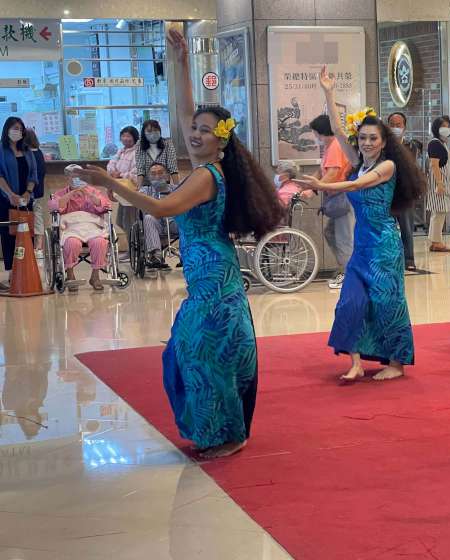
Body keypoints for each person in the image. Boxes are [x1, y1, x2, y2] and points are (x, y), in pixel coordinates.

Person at [72, 28, 284, 459]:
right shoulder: (210, 166)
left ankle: (228, 435)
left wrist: (109, 182)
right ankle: (226, 430)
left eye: (205, 131)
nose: (195, 134)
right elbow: (187, 112)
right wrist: (181, 62)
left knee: (203, 354)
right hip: (209, 277)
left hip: (214, 280)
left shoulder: (206, 175)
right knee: (194, 352)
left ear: (221, 140)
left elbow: (161, 207)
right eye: (194, 130)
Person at [296, 65, 425, 383]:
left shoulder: (387, 166)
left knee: (386, 303)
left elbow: (355, 185)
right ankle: (355, 362)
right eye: (363, 138)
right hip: (363, 246)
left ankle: (396, 363)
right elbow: (338, 131)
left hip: (385, 245)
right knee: (350, 301)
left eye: (373, 138)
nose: (366, 142)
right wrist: (328, 92)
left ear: (383, 142)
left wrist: (322, 185)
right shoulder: (358, 162)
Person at [48, 165, 113, 291]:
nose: (76, 179)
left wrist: (87, 193)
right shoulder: (60, 193)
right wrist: (72, 193)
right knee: (71, 243)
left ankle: (95, 276)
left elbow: (105, 205)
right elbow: (54, 206)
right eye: (73, 176)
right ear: (68, 178)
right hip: (71, 227)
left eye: (79, 176)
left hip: (91, 226)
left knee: (99, 242)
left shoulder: (93, 191)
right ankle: (70, 275)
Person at [310, 114, 354, 289]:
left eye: (315, 132)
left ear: (321, 131)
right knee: (331, 233)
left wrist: (315, 188)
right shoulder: (330, 147)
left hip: (342, 198)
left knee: (344, 239)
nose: (315, 136)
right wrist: (309, 184)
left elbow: (333, 173)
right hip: (337, 198)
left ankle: (349, 276)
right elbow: (322, 171)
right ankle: (345, 268)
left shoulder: (335, 145)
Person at [0, 117, 38, 291]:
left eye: (21, 129)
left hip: (26, 200)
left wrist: (28, 192)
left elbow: (33, 175)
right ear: (7, 129)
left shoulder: (27, 151)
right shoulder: (2, 150)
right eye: (15, 128)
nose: (18, 132)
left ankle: (26, 270)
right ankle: (11, 274)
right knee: (9, 236)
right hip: (6, 200)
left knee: (26, 235)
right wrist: (11, 194)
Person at [387, 111, 423, 271]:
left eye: (398, 125)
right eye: (392, 125)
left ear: (404, 127)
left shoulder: (411, 147)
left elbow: (413, 169)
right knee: (388, 229)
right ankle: (391, 259)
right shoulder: (382, 146)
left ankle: (409, 259)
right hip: (387, 194)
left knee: (407, 228)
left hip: (405, 193)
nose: (395, 127)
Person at [426, 116, 450, 252]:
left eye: (448, 126)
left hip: (442, 183)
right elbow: (434, 165)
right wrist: (439, 184)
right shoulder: (435, 143)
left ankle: (434, 241)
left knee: (438, 213)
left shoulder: (442, 143)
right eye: (443, 126)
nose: (446, 129)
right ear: (436, 128)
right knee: (439, 213)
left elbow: (444, 161)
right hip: (439, 183)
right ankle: (437, 242)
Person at [141, 162, 179, 269]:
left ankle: (187, 253)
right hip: (156, 223)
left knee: (186, 218)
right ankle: (156, 255)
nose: (157, 176)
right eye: (153, 174)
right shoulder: (145, 190)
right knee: (148, 217)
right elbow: (137, 198)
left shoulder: (176, 189)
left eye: (160, 173)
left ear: (167, 175)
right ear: (149, 177)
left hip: (173, 222)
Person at [107, 126, 141, 245]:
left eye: (128, 136)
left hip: (131, 193)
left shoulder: (137, 152)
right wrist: (113, 173)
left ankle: (135, 249)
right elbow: (111, 165)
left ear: (135, 138)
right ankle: (133, 248)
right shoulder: (121, 151)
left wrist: (120, 174)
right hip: (121, 193)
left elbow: (136, 174)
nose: (126, 138)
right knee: (121, 221)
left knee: (130, 223)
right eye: (123, 136)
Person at [23, 128, 46, 259]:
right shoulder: (39, 153)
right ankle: (39, 248)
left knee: (28, 220)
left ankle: (31, 248)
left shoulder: (26, 155)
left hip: (29, 193)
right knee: (38, 219)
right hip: (39, 192)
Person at [135, 119, 179, 189]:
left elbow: (173, 167)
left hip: (164, 183)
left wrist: (177, 187)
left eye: (155, 130)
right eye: (149, 131)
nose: (153, 133)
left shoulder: (167, 143)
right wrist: (139, 188)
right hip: (146, 184)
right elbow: (140, 169)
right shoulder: (139, 145)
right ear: (144, 133)